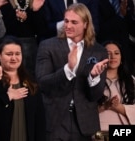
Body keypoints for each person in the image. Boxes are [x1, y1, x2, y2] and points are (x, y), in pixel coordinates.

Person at [35, 3, 109, 141]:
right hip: (55, 122)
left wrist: (93, 77)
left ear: (85, 24)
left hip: (85, 125)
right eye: (66, 21)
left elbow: (96, 96)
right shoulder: (47, 46)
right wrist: (68, 69)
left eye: (74, 22)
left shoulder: (99, 51)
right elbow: (43, 83)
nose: (68, 26)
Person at [0, 36, 45, 141]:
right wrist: (7, 97)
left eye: (17, 54)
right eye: (9, 54)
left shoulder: (30, 81)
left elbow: (39, 119)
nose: (14, 58)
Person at [95, 40, 135, 141]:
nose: (113, 57)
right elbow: (82, 110)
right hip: (99, 132)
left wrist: (119, 107)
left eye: (116, 53)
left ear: (121, 58)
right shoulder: (93, 79)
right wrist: (105, 106)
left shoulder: (131, 81)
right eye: (108, 54)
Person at [0, 0, 49, 77]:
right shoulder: (4, 2)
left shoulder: (35, 2)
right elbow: (1, 30)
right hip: (9, 45)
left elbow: (42, 30)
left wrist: (35, 11)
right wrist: (15, 17)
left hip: (30, 46)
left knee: (30, 76)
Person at [97, 0, 135, 74]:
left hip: (125, 54)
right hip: (104, 51)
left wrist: (128, 16)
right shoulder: (94, 2)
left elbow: (131, 29)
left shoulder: (126, 1)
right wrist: (120, 16)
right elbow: (97, 28)